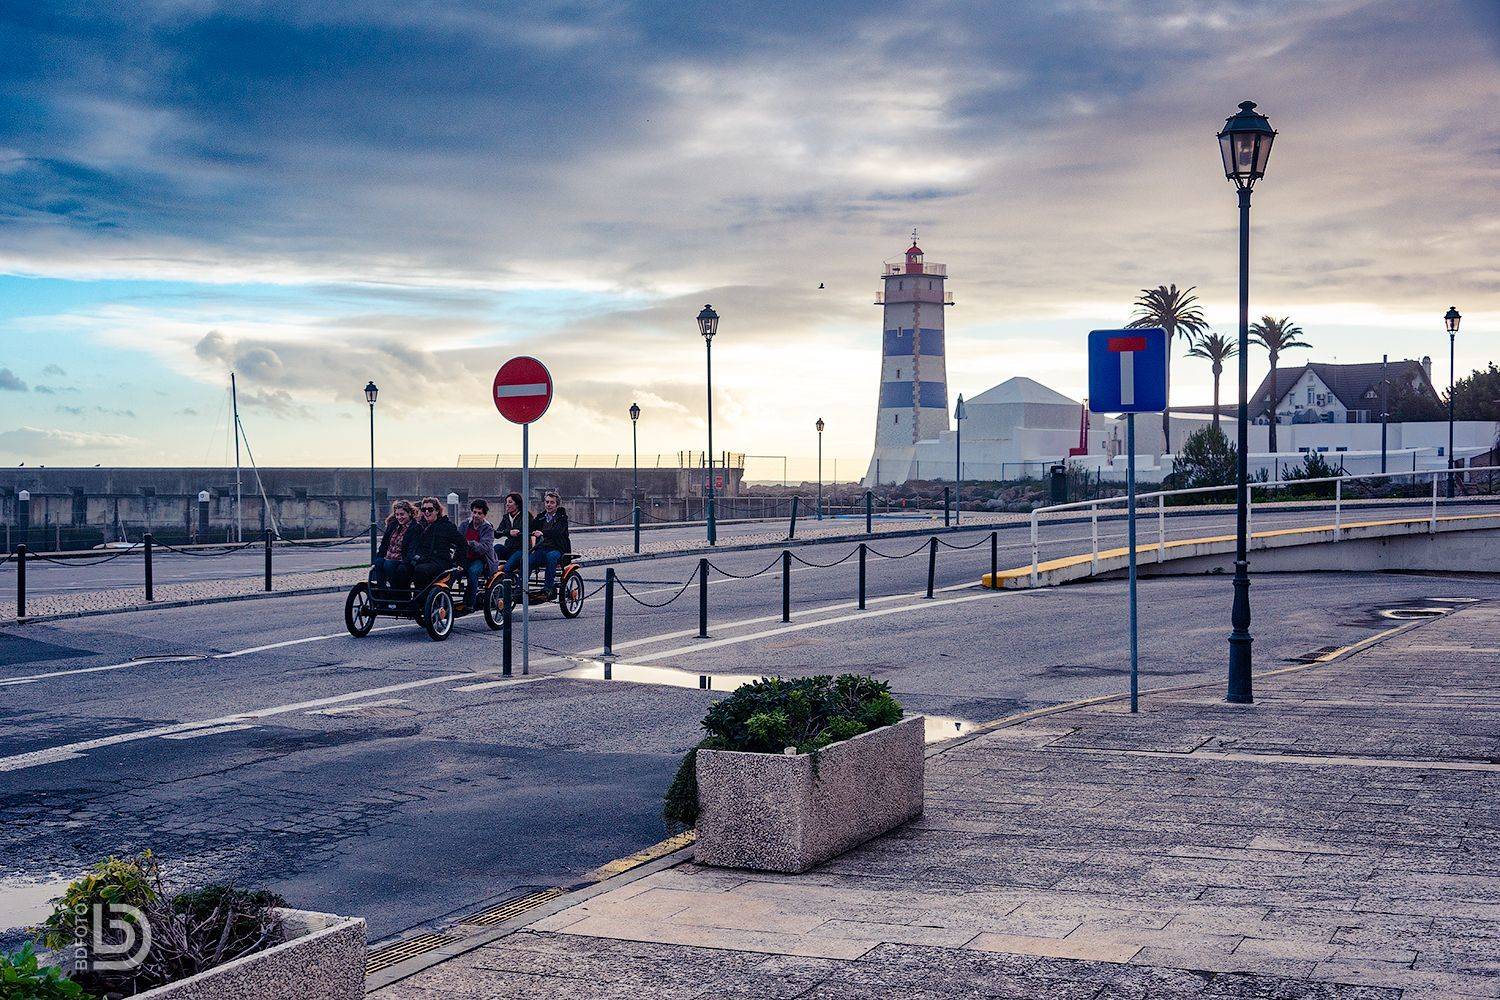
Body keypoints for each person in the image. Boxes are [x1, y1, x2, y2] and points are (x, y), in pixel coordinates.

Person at [406, 496, 465, 587]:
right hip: (422, 559)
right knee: (402, 569)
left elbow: (462, 543)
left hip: (439, 562)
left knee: (420, 570)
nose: (426, 512)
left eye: (430, 509)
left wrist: (459, 563)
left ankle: (420, 594)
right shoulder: (420, 526)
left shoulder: (446, 527)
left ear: (437, 511)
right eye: (424, 509)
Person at [528, 490, 571, 599]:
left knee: (551, 557)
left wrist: (542, 532)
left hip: (558, 549)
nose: (549, 505)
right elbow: (531, 527)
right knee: (528, 560)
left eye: (552, 502)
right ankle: (520, 587)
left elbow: (558, 531)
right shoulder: (541, 516)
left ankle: (548, 589)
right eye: (547, 502)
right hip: (542, 548)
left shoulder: (562, 518)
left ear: (557, 504)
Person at [461, 498, 499, 609]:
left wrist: (470, 543)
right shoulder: (464, 525)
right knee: (450, 572)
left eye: (479, 513)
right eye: (474, 512)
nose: (476, 515)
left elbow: (484, 547)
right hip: (465, 557)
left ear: (484, 515)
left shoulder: (488, 528)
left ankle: (470, 603)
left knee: (473, 572)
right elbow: (458, 539)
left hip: (482, 559)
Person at [373, 499, 416, 588]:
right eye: (397, 514)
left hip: (402, 560)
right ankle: (382, 590)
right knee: (378, 562)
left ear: (409, 513)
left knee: (389, 564)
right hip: (388, 557)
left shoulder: (415, 528)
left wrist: (406, 562)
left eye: (402, 514)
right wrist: (380, 556)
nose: (399, 517)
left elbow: (412, 549)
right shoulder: (392, 525)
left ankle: (395, 589)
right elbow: (384, 544)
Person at [496, 492, 525, 572]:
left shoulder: (526, 516)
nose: (507, 504)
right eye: (506, 502)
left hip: (520, 550)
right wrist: (509, 532)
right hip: (509, 548)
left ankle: (509, 576)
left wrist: (516, 533)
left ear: (517, 504)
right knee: (496, 547)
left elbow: (526, 532)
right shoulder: (506, 517)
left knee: (507, 568)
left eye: (510, 502)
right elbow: (497, 533)